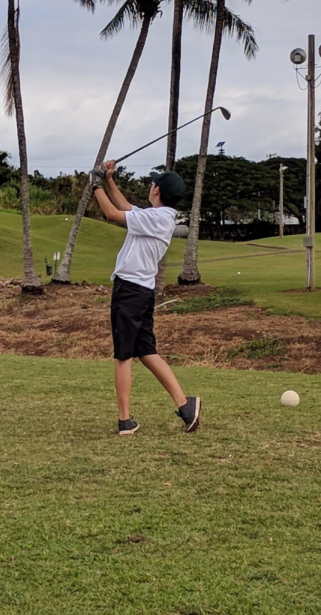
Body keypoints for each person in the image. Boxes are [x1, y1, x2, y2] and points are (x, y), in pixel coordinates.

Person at [90, 160, 201, 436]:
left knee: (123, 356)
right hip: (141, 292)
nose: (150, 185)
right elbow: (124, 205)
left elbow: (113, 214)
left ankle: (125, 420)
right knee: (147, 352)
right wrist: (108, 180)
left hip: (130, 292)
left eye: (153, 183)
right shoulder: (158, 216)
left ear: (157, 191)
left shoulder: (157, 218)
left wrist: (94, 185)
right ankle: (186, 406)